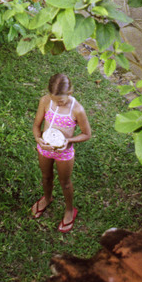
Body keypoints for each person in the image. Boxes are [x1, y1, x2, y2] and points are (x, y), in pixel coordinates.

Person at [31, 73, 91, 233]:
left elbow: (87, 134)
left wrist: (68, 141)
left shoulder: (77, 109)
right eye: (54, 100)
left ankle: (70, 209)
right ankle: (47, 198)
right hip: (45, 148)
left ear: (70, 93)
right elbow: (36, 126)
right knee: (46, 176)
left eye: (61, 101)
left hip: (64, 153)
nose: (57, 104)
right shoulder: (45, 101)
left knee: (65, 182)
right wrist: (38, 139)